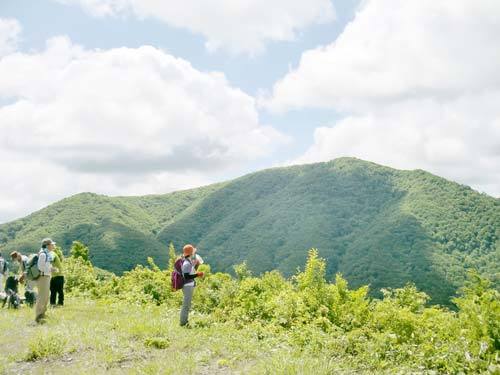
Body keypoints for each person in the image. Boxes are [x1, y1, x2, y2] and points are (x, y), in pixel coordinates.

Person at [180, 244, 204, 326]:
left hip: (189, 285)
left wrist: (197, 265)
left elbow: (191, 272)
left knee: (187, 304)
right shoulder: (187, 263)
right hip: (187, 286)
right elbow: (186, 276)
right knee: (186, 304)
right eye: (193, 252)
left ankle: (184, 321)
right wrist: (198, 275)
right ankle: (183, 323)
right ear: (190, 253)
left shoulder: (189, 262)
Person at [35, 238, 58, 323]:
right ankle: (38, 316)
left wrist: (50, 269)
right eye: (52, 244)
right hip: (43, 277)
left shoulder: (47, 254)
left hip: (46, 276)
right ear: (47, 245)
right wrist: (50, 269)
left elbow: (45, 266)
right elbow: (40, 267)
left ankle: (42, 314)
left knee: (45, 296)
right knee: (42, 296)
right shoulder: (43, 254)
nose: (53, 246)